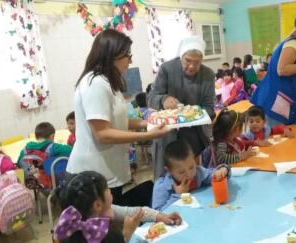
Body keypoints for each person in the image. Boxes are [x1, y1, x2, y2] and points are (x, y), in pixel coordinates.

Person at [67, 29, 169, 207]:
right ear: (111, 56)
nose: (131, 60)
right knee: (107, 227)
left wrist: (149, 123)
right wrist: (148, 136)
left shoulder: (108, 82)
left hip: (106, 170)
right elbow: (103, 133)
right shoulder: (96, 84)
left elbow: (116, 120)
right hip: (92, 173)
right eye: (127, 55)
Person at [148, 36, 216, 178]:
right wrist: (164, 99)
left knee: (192, 178)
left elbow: (210, 108)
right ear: (181, 57)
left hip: (193, 137)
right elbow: (151, 97)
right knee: (166, 178)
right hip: (166, 134)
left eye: (196, 63)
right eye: (187, 61)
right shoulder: (167, 69)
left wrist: (192, 114)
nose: (191, 66)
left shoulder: (208, 74)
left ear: (202, 60)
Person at [54, 171, 182, 243]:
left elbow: (136, 211)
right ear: (98, 204)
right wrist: (126, 234)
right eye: (107, 189)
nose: (110, 191)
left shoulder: (90, 213)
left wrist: (162, 216)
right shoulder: (98, 234)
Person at [152, 139, 230, 211]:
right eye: (181, 172)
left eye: (191, 167)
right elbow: (158, 213)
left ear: (194, 158)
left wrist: (223, 170)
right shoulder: (162, 186)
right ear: (169, 171)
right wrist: (178, 195)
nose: (189, 174)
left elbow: (212, 176)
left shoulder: (198, 173)